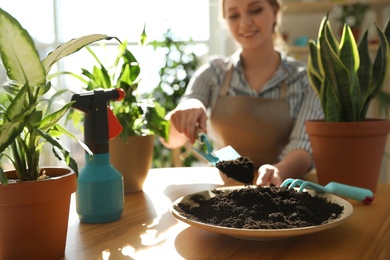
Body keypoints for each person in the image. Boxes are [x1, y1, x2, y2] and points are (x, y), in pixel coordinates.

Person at [161, 0, 323, 186]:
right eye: (234, 15)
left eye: (255, 10)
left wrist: (279, 170)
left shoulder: (304, 80)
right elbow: (170, 138)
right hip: (225, 190)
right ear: (225, 20)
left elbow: (304, 147)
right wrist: (188, 109)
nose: (244, 23)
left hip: (284, 190)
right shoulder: (213, 73)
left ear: (275, 10)